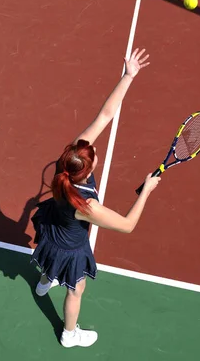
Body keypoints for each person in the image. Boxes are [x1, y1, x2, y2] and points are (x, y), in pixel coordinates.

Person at [31, 48, 161, 348]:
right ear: (88, 169)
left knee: (48, 256)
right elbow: (127, 225)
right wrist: (146, 190)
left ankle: (43, 282)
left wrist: (128, 76)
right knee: (76, 291)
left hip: (53, 226)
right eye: (94, 155)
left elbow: (105, 114)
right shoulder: (86, 205)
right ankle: (69, 334)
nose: (96, 150)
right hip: (70, 247)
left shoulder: (68, 160)